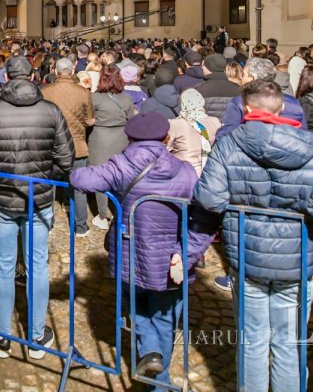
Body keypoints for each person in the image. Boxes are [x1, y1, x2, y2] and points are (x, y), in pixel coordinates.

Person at [194, 79, 313, 392]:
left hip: (248, 254)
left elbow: (209, 198)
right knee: (288, 343)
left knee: (252, 341)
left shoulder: (229, 144)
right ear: (280, 106)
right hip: (293, 257)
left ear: (246, 108)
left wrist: (237, 201)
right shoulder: (311, 148)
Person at [72, 112, 218, 384]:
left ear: (130, 138)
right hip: (169, 258)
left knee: (136, 307)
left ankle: (152, 364)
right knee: (163, 317)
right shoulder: (186, 172)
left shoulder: (121, 166)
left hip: (131, 253)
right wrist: (185, 253)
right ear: (166, 138)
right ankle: (157, 376)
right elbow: (202, 218)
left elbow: (81, 179)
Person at [0, 55, 74, 359]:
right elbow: (66, 159)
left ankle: (1, 335)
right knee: (37, 265)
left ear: (7, 79)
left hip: (2, 198)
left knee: (3, 265)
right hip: (37, 199)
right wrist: (44, 179)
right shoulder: (51, 112)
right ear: (33, 77)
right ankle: (37, 336)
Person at [42, 57, 95, 236]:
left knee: (49, 186)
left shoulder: (45, 91)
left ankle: (48, 224)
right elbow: (89, 120)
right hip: (77, 145)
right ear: (72, 71)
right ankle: (80, 226)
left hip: (53, 145)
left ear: (55, 72)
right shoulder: (83, 92)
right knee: (78, 187)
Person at [89, 64, 137, 230]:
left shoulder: (95, 98)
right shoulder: (126, 98)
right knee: (119, 176)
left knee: (101, 176)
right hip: (121, 138)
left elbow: (89, 118)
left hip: (100, 138)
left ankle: (103, 215)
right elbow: (131, 120)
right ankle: (120, 212)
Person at [219, 58, 306, 136]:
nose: (241, 78)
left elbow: (226, 134)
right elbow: (304, 134)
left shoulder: (239, 102)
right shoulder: (294, 102)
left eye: (244, 74)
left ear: (252, 78)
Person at [166, 87, 219, 175]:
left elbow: (167, 148)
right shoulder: (215, 121)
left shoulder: (174, 124)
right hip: (209, 170)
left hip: (183, 171)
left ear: (183, 104)